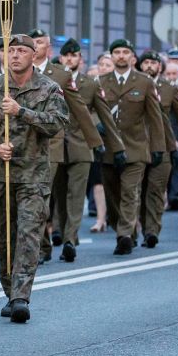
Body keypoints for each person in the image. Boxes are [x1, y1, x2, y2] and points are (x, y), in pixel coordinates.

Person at [0, 34, 69, 323]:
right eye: (10, 51)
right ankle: (9, 289)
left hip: (33, 175)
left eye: (21, 51)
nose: (14, 56)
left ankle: (21, 296)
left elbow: (58, 123)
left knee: (28, 235)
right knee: (4, 236)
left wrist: (21, 112)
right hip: (0, 174)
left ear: (33, 54)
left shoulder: (48, 88)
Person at [52, 39, 123, 261]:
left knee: (76, 196)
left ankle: (70, 240)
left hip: (81, 147)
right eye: (67, 56)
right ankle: (63, 233)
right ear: (61, 58)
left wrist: (117, 146)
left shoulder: (90, 84)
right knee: (59, 196)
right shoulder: (50, 80)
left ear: (80, 60)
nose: (70, 59)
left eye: (75, 56)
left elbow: (106, 117)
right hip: (54, 146)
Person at [98, 40, 165, 255]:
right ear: (111, 56)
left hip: (135, 148)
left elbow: (155, 118)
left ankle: (124, 235)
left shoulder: (144, 82)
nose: (121, 56)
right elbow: (88, 109)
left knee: (130, 191)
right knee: (113, 195)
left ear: (132, 57)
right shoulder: (100, 81)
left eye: (125, 52)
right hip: (108, 148)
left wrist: (158, 148)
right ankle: (127, 229)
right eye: (116, 52)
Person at [139, 51, 178, 249]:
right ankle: (132, 230)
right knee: (135, 192)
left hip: (163, 146)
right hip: (136, 146)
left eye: (154, 63)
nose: (150, 66)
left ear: (161, 67)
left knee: (156, 191)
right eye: (146, 62)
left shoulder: (168, 89)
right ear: (140, 65)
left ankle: (151, 232)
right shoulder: (134, 85)